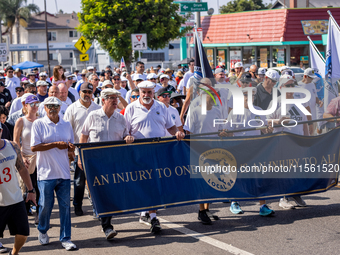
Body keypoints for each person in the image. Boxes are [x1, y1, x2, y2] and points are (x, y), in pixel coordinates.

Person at [124, 81, 185, 233]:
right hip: (138, 153)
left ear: (153, 92)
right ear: (139, 92)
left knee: (155, 184)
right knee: (144, 184)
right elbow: (124, 131)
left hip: (158, 151)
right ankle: (147, 212)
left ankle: (152, 217)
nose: (146, 95)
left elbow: (170, 126)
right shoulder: (131, 108)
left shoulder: (161, 107)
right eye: (143, 92)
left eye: (149, 92)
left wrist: (176, 133)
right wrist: (127, 137)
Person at [78, 88, 134, 240]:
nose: (115, 100)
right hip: (96, 162)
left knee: (112, 193)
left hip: (114, 162)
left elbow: (125, 136)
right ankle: (107, 226)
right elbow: (83, 137)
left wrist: (128, 137)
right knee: (102, 193)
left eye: (116, 97)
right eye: (111, 98)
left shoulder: (121, 118)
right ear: (103, 100)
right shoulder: (93, 116)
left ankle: (105, 218)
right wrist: (79, 158)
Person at [30, 96, 77, 251]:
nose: (53, 108)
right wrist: (56, 144)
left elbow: (71, 149)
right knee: (45, 206)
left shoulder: (66, 124)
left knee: (65, 207)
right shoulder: (38, 123)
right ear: (44, 108)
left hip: (63, 172)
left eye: (56, 106)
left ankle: (65, 238)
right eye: (49, 106)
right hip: (45, 174)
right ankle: (42, 230)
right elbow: (34, 147)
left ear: (60, 107)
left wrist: (70, 149)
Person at [226, 88, 274, 216]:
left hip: (256, 150)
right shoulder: (234, 113)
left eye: (252, 96)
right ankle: (234, 202)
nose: (250, 99)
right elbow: (228, 132)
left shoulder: (259, 111)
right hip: (239, 149)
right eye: (247, 96)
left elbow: (265, 129)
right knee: (237, 178)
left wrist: (269, 130)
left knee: (259, 177)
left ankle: (262, 206)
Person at [267, 78, 309, 209]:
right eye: (288, 85)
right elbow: (267, 121)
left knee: (297, 169)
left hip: (297, 141)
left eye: (293, 85)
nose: (291, 87)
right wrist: (279, 122)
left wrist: (307, 139)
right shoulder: (276, 102)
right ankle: (283, 197)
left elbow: (304, 123)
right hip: (282, 141)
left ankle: (296, 193)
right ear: (281, 88)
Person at [64, 82, 101, 216]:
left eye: (89, 92)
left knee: (95, 180)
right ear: (80, 92)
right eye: (84, 92)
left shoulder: (97, 108)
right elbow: (67, 129)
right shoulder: (72, 108)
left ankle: (97, 206)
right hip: (78, 150)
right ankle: (77, 205)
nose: (87, 95)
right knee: (79, 181)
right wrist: (69, 148)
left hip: (94, 149)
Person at [0, 122, 37, 255]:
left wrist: (31, 191)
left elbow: (22, 169)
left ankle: (14, 253)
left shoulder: (12, 146)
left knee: (23, 233)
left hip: (15, 199)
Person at [13, 95, 40, 226]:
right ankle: (24, 216)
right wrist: (22, 157)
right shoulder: (21, 121)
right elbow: (15, 141)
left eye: (36, 104)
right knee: (24, 189)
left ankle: (39, 215)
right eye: (32, 104)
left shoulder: (41, 120)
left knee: (39, 188)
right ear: (26, 105)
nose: (35, 106)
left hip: (39, 158)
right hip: (26, 158)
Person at [298, 68, 323, 135]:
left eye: (312, 78)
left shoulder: (312, 85)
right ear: (305, 76)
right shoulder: (298, 86)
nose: (312, 80)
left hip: (313, 117)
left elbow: (315, 97)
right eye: (311, 78)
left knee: (312, 136)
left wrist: (319, 101)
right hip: (304, 119)